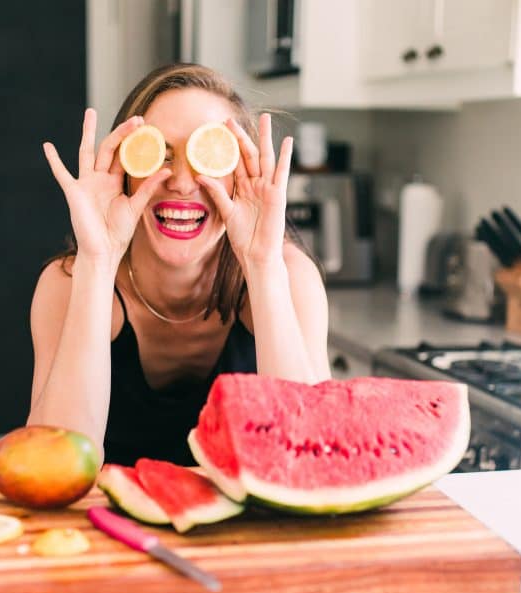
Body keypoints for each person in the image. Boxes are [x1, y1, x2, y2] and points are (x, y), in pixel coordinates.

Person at [29, 63, 330, 467]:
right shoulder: (65, 284)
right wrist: (97, 264)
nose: (183, 183)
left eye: (210, 157)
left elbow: (315, 460)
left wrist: (262, 266)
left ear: (243, 175)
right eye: (160, 155)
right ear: (125, 172)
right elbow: (52, 466)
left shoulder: (290, 278)